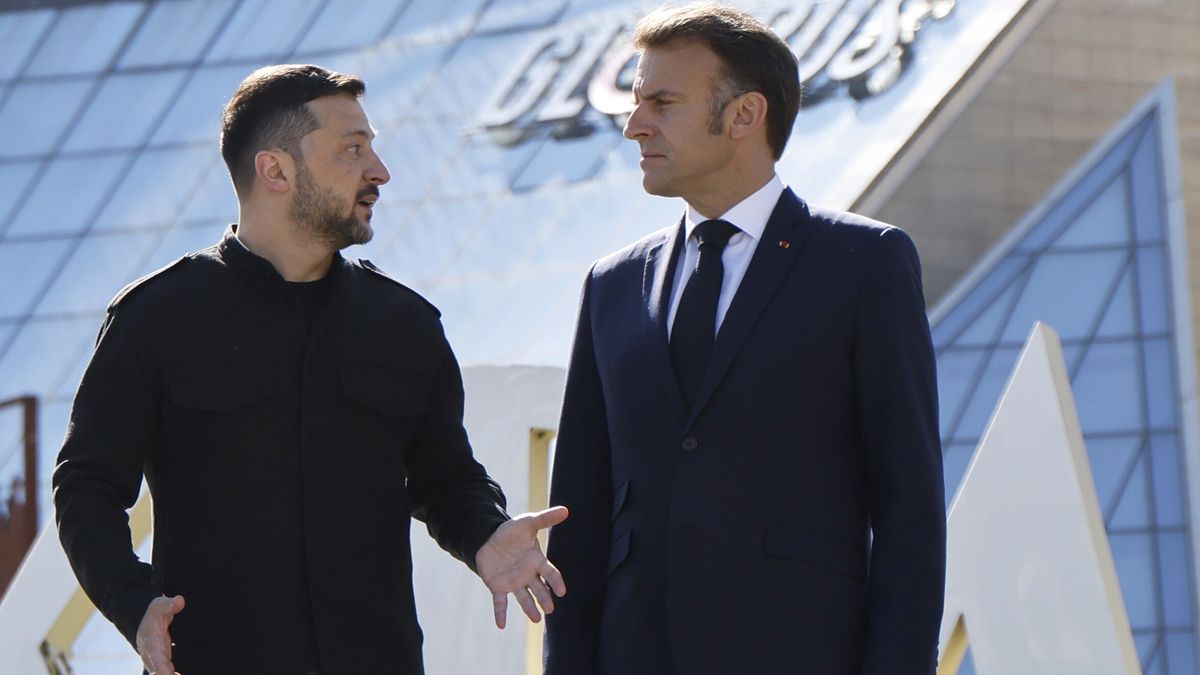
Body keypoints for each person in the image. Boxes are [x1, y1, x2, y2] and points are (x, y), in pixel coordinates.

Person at [53, 64, 567, 675]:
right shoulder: (156, 318)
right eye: (353, 149)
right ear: (275, 170)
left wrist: (487, 533)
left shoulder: (406, 324)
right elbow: (86, 486)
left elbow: (447, 480)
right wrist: (132, 603)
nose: (380, 171)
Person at [543, 4, 945, 674]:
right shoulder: (610, 284)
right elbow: (578, 520)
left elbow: (911, 513)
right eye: (637, 101)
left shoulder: (865, 263)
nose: (633, 124)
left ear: (745, 114)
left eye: (662, 103)